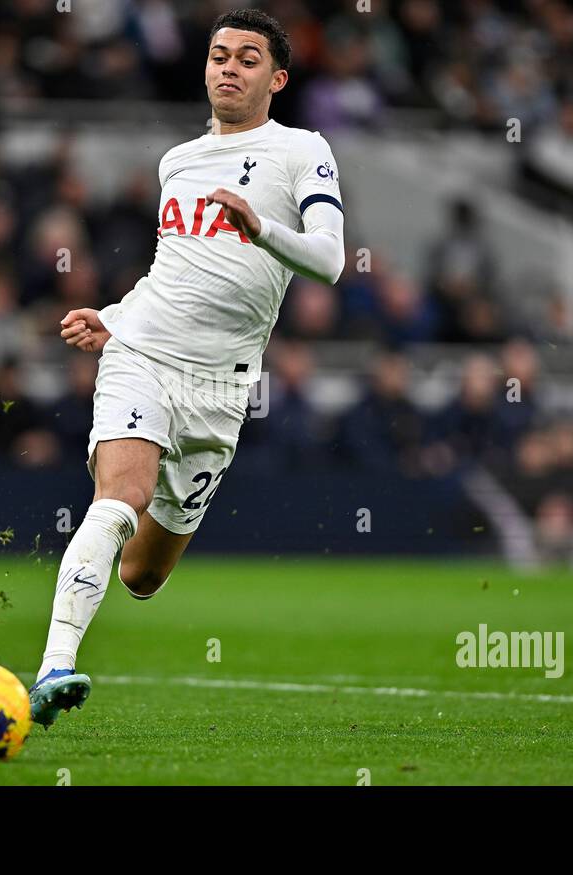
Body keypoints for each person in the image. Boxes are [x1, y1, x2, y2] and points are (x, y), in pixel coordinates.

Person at [29, 8, 346, 726]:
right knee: (121, 496)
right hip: (143, 354)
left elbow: (329, 260)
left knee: (142, 573)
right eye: (218, 56)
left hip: (219, 388)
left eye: (246, 58)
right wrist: (114, 316)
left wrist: (261, 228)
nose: (228, 69)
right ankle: (54, 666)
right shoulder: (178, 160)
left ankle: (93, 591)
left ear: (278, 77)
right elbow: (171, 271)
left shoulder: (302, 150)